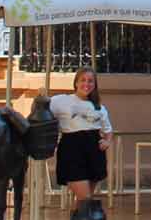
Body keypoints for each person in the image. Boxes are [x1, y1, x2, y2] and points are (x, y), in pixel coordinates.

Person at [48, 69, 113, 204]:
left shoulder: (99, 107)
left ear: (95, 84)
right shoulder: (61, 101)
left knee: (84, 201)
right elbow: (42, 108)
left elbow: (108, 129)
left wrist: (107, 141)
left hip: (94, 151)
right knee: (85, 198)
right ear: (76, 82)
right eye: (83, 80)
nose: (86, 84)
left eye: (90, 81)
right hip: (72, 150)